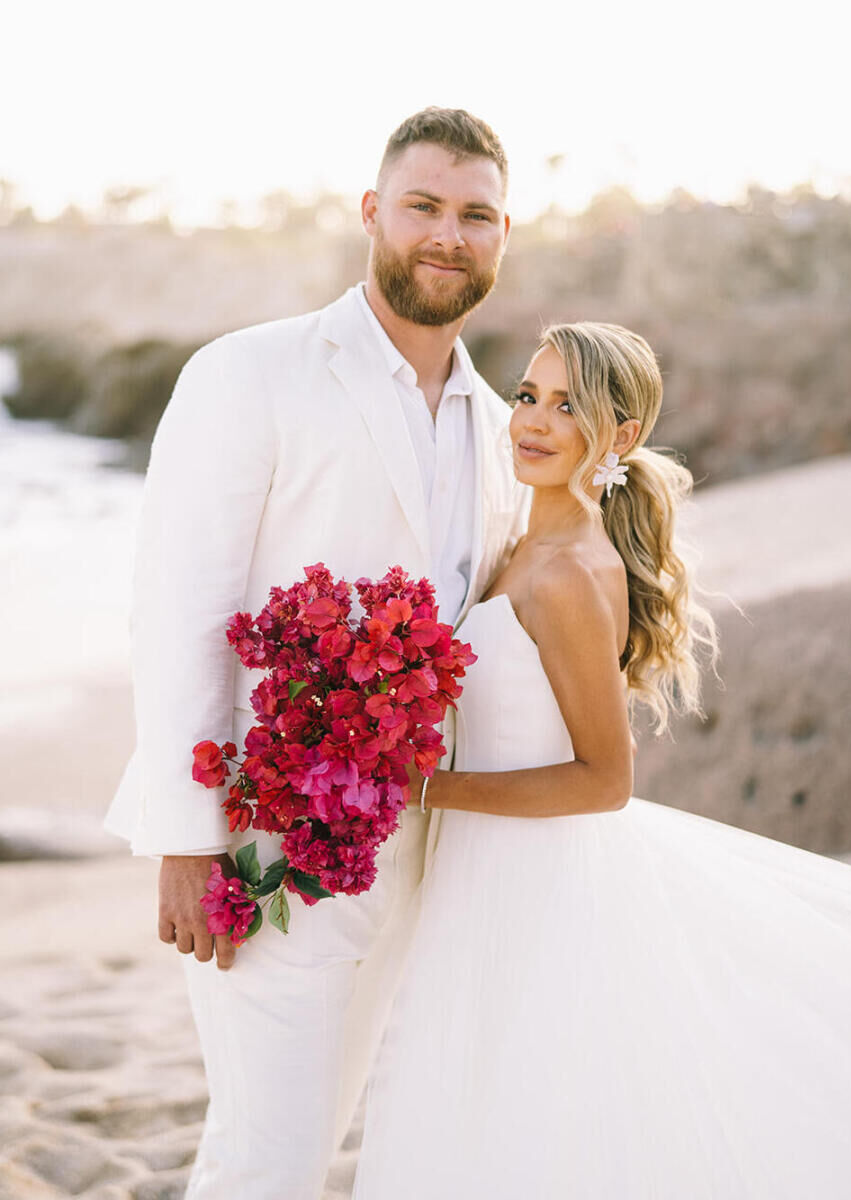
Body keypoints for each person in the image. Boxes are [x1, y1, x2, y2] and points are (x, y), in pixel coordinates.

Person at [103, 107, 531, 1198]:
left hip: (415, 851)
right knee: (277, 1156)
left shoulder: (496, 424)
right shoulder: (249, 373)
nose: (448, 234)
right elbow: (179, 608)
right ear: (371, 213)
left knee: (282, 1142)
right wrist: (186, 839)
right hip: (262, 837)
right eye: (425, 206)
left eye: (475, 215)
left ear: (503, 234)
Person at [351, 322, 851, 1199]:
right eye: (527, 396)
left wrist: (424, 788)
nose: (534, 422)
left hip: (538, 878)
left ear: (618, 437)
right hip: (487, 862)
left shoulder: (569, 574)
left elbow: (605, 779)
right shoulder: (520, 542)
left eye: (568, 407)